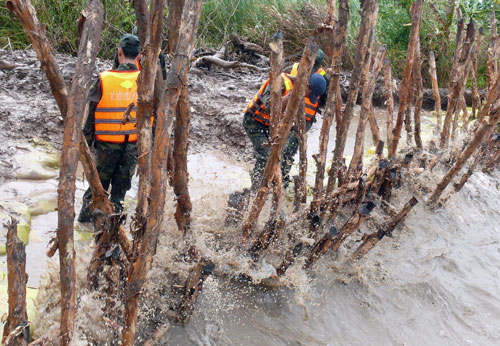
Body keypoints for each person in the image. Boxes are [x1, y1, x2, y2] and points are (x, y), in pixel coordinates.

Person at [78, 34, 141, 223]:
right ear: (139, 56)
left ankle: (84, 224)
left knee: (96, 191)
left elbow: (90, 115)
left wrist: (86, 144)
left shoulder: (104, 79)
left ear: (119, 52)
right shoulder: (146, 80)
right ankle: (114, 234)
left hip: (105, 148)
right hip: (132, 148)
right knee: (119, 194)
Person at [243, 72, 327, 191]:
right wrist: (292, 95)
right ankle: (256, 189)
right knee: (267, 156)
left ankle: (262, 187)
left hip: (268, 125)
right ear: (307, 85)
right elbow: (271, 107)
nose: (309, 97)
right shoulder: (280, 82)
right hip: (254, 121)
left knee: (277, 157)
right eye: (310, 93)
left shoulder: (303, 93)